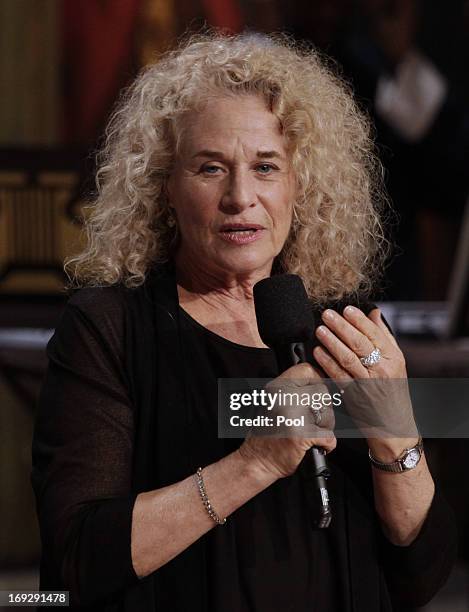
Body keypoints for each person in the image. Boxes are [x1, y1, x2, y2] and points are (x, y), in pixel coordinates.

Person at [31, 32, 456, 611]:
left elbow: (420, 573)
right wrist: (253, 462)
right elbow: (77, 560)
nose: (240, 197)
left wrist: (397, 434)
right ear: (166, 189)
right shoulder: (108, 329)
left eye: (265, 167)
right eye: (210, 168)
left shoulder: (346, 329)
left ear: (300, 186)